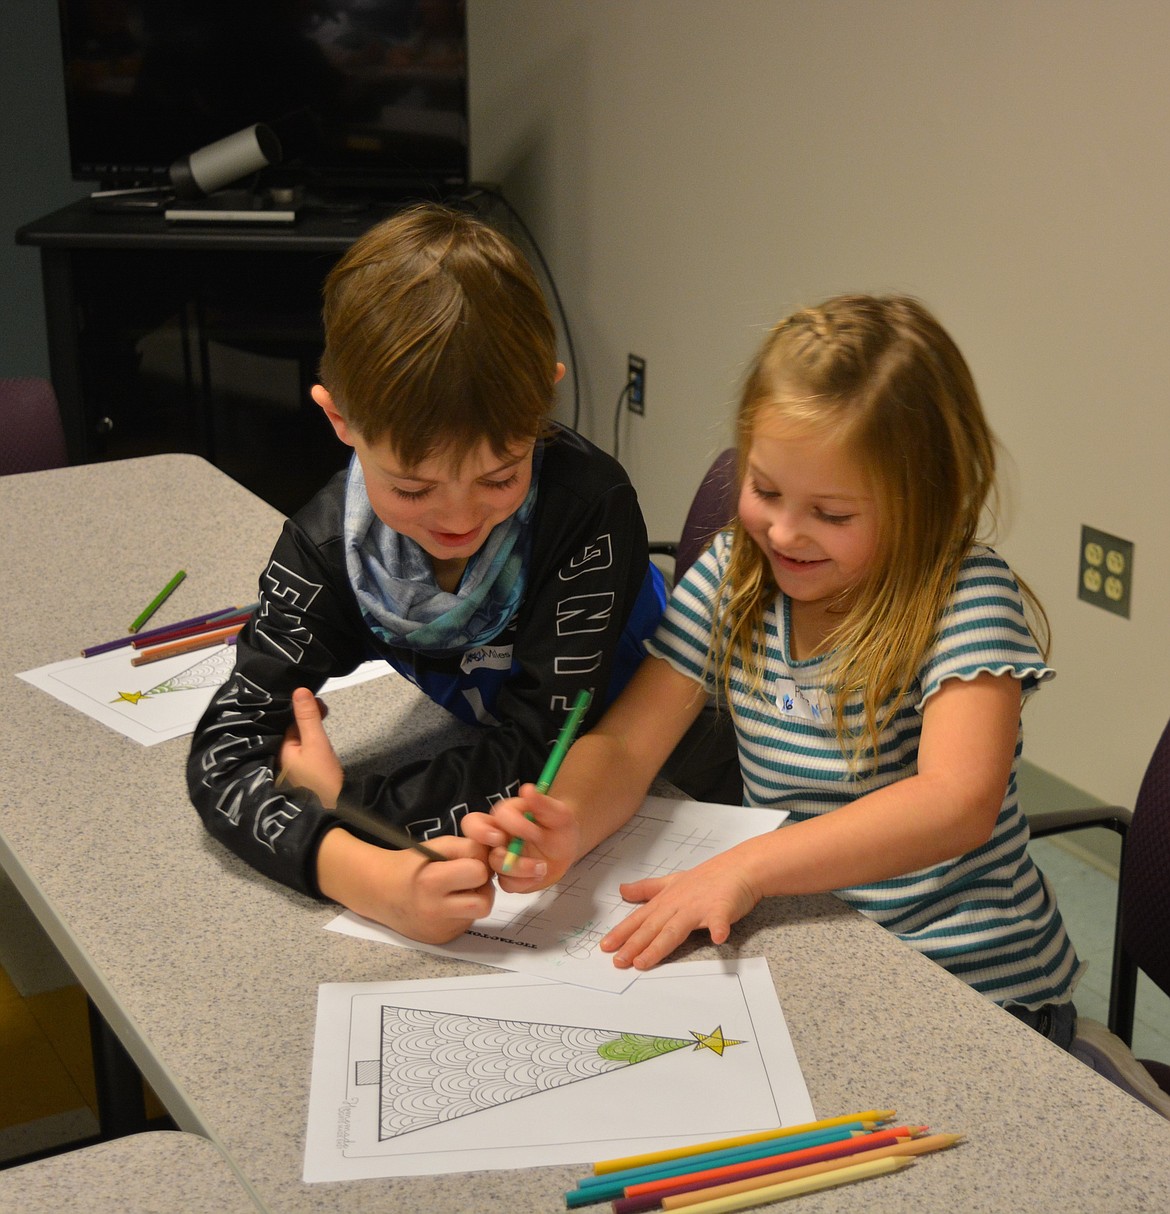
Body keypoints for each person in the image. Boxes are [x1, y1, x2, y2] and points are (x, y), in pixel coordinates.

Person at [464, 294, 1084, 1047]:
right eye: (765, 491)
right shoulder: (736, 570)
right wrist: (565, 825)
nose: (785, 532)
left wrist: (751, 867)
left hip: (977, 990)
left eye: (833, 513)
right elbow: (629, 746)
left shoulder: (965, 596)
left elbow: (956, 801)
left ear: (924, 500)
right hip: (817, 941)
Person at [187, 202, 666, 945]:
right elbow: (224, 753)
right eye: (411, 488)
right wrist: (356, 866)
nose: (459, 518)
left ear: (545, 399)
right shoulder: (325, 549)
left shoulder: (587, 510)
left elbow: (546, 745)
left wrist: (352, 805)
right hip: (507, 762)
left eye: (502, 475)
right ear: (339, 420)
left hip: (656, 764)